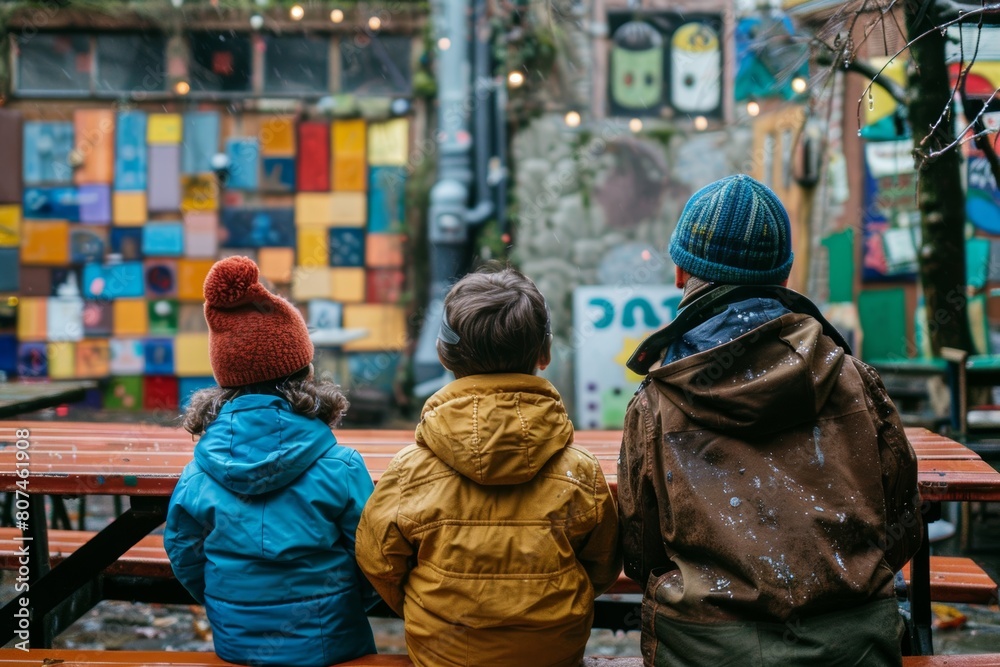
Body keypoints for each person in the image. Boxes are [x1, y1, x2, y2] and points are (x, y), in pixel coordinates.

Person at [618, 174, 923, 666]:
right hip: (852, 652)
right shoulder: (856, 381)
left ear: (680, 274)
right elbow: (904, 526)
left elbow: (640, 553)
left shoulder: (654, 404)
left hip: (706, 653)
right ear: (783, 279)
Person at [356, 265, 621, 667]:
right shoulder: (580, 470)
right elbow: (602, 565)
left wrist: (424, 603)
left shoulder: (410, 471)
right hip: (553, 654)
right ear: (544, 353)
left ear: (445, 354)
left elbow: (378, 562)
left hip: (443, 655)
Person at [164, 255, 377, 667]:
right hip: (331, 644)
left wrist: (228, 605)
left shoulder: (196, 476)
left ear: (223, 381)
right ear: (306, 373)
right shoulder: (342, 466)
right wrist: (347, 605)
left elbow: (185, 555)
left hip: (235, 644)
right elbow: (372, 554)